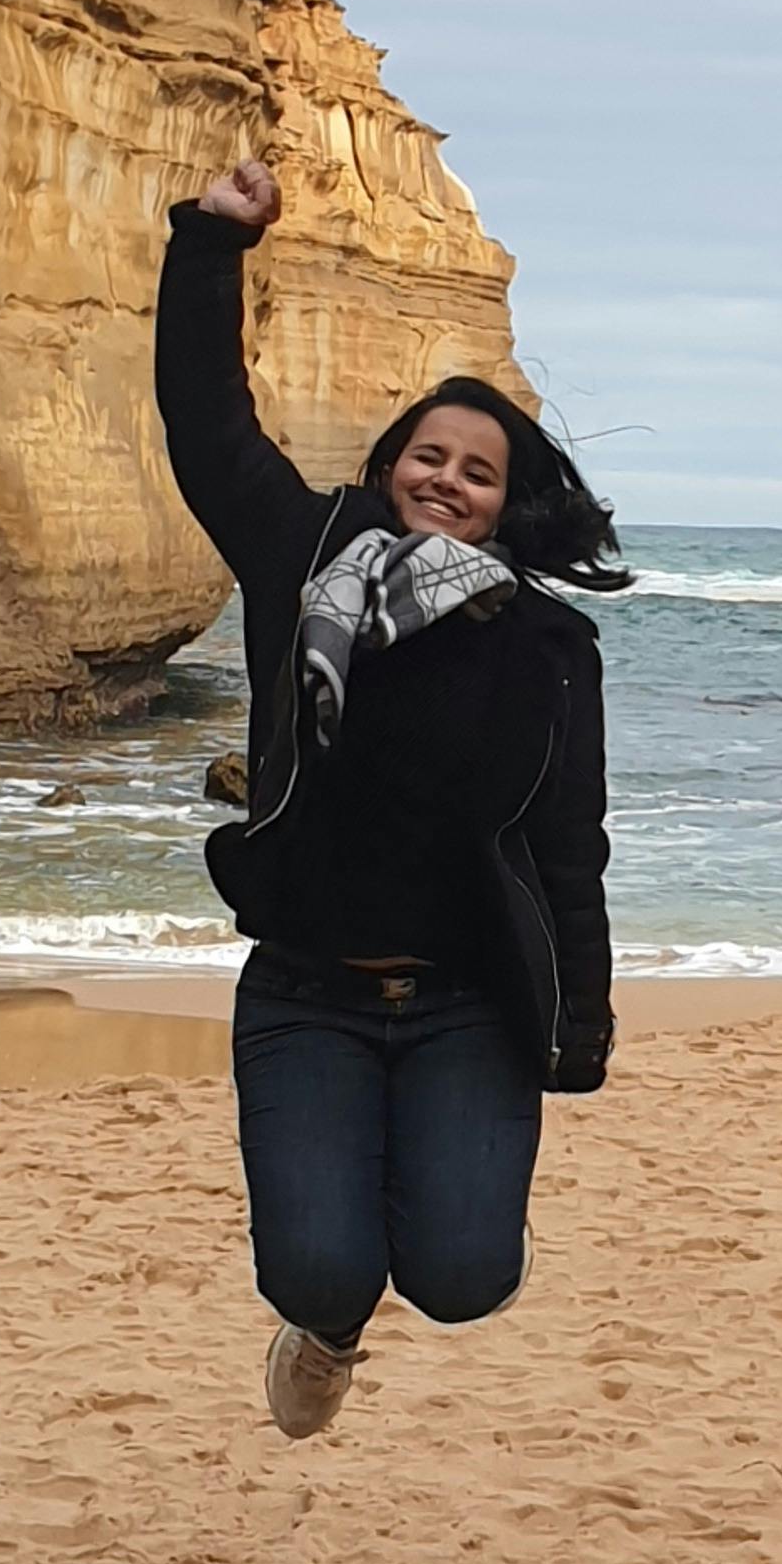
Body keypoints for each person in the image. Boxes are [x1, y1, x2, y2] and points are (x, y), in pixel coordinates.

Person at [155, 155, 626, 1438]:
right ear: (391, 462)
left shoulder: (544, 647)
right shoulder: (303, 557)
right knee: (317, 1266)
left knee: (466, 1279)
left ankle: (404, 1250)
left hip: (465, 1003)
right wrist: (210, 241)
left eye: (478, 469)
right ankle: (327, 1328)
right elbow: (206, 425)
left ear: (505, 503)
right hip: (308, 991)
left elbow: (565, 845)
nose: (447, 479)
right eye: (430, 454)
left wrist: (578, 1023)